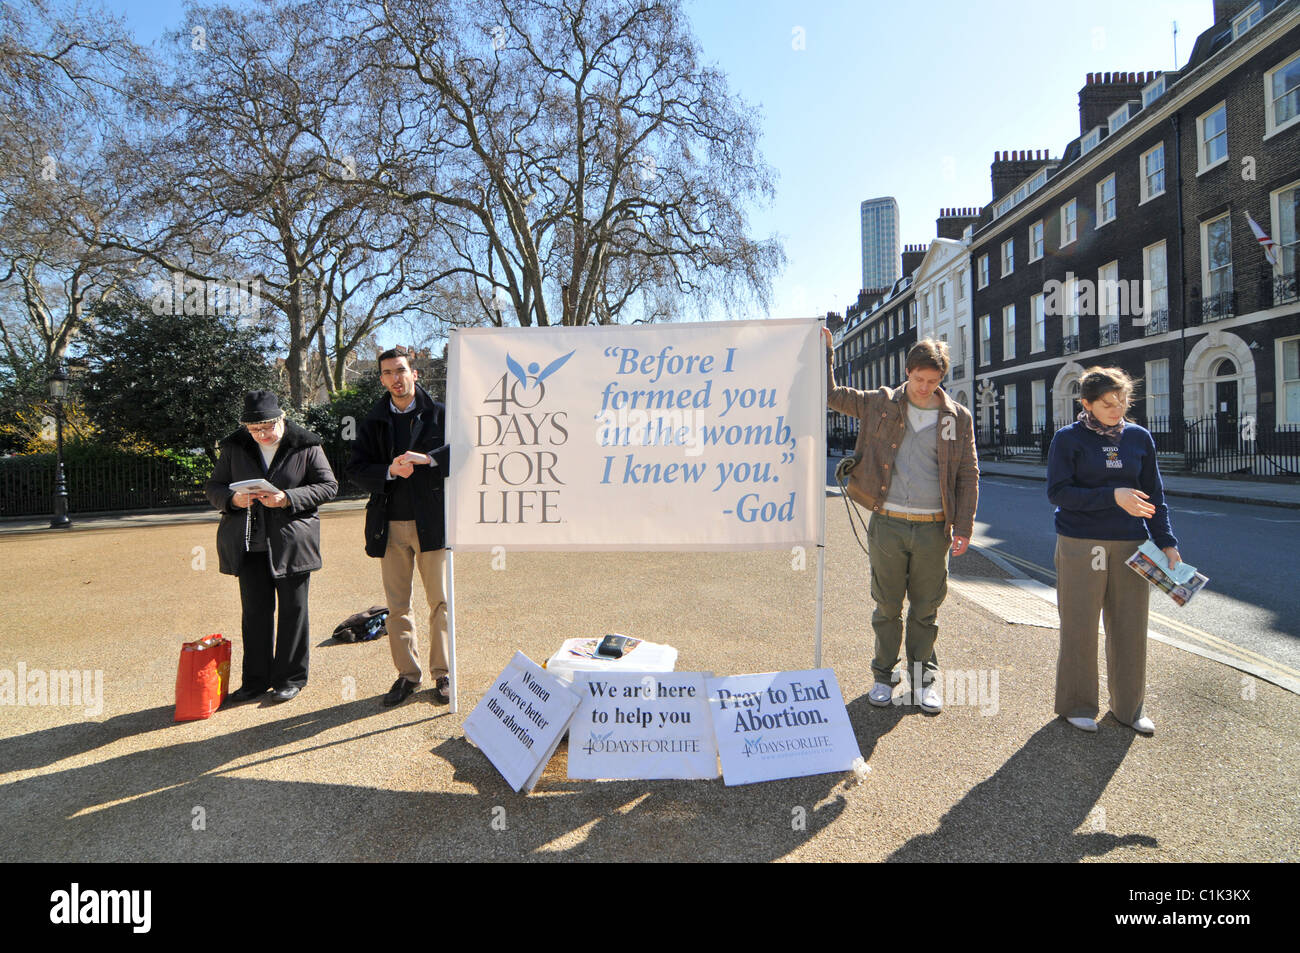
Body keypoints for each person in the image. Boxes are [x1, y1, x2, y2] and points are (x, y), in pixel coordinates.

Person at [823, 328, 979, 712]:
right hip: (888, 524)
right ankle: (882, 677)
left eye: (933, 381)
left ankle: (923, 681)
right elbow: (831, 396)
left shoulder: (956, 417)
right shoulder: (881, 403)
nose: (924, 388)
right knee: (887, 606)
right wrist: (826, 354)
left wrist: (964, 527)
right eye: (919, 379)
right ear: (907, 371)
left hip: (933, 528)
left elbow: (968, 473)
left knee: (926, 608)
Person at [1047, 366, 1179, 735]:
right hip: (1079, 542)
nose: (1116, 408)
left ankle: (1129, 708)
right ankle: (1077, 704)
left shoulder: (1139, 438)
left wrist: (1167, 542)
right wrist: (1114, 496)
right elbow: (1058, 494)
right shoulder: (1067, 439)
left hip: (1131, 544)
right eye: (1107, 402)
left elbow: (1155, 495)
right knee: (1079, 627)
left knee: (1130, 628)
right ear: (1086, 403)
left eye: (1122, 400)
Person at [206, 390, 338, 704]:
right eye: (254, 431)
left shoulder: (306, 444)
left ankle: (290, 679)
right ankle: (254, 681)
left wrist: (288, 498)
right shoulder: (235, 446)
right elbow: (213, 486)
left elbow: (329, 485)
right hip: (249, 544)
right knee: (254, 613)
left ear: (280, 419)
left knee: (294, 612)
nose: (262, 435)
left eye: (267, 428)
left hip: (293, 543)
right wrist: (232, 499)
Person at [347, 346, 452, 707]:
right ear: (381, 379)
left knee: (440, 602)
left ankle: (443, 673)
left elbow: (467, 452)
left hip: (432, 523)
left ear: (415, 374)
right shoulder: (373, 420)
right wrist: (389, 471)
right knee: (397, 607)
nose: (395, 378)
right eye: (388, 372)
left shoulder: (440, 414)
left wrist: (429, 459)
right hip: (389, 525)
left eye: (401, 370)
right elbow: (357, 469)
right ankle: (408, 676)